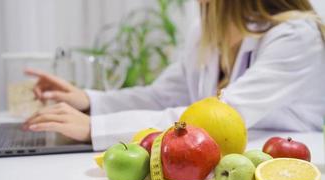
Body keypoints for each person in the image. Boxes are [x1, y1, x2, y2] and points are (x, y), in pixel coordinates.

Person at [23, 0, 325, 151]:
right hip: (215, 171)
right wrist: (88, 100)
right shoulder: (205, 32)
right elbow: (159, 95)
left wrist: (97, 128)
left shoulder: (297, 36)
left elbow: (218, 119)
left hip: (275, 174)